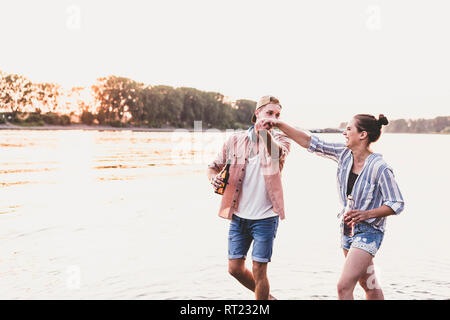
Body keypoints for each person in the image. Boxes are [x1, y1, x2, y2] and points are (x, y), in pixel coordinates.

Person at [261, 114, 405, 300]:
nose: (344, 132)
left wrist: (366, 214)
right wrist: (279, 124)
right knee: (368, 284)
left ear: (362, 135)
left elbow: (397, 203)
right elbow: (309, 141)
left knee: (343, 287)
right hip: (348, 229)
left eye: (349, 129)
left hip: (369, 232)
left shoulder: (380, 167)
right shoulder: (344, 154)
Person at [207, 95, 290, 300]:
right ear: (257, 113)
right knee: (234, 268)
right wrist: (213, 179)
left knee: (259, 270)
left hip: (265, 218)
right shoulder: (235, 140)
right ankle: (269, 298)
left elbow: (276, 154)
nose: (274, 118)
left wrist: (263, 133)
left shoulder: (281, 139)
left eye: (277, 115)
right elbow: (212, 167)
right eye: (269, 113)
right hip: (239, 216)